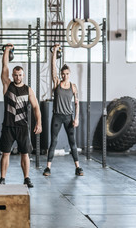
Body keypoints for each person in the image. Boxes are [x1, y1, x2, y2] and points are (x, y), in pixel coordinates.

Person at [0, 44, 42, 188]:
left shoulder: (28, 90)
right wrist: (7, 51)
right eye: (15, 75)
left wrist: (39, 123)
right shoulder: (7, 85)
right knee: (5, 154)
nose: (17, 77)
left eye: (20, 75)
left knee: (25, 154)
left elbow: (36, 107)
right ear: (13, 75)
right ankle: (2, 178)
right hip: (8, 126)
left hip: (22, 126)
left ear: (23, 75)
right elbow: (4, 67)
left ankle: (26, 178)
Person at [43, 44, 83, 176]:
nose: (65, 76)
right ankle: (48, 168)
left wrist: (76, 118)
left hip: (68, 117)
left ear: (69, 74)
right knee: (53, 142)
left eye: (67, 74)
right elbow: (52, 67)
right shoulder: (57, 83)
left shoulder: (73, 86)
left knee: (73, 143)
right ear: (61, 74)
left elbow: (77, 103)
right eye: (63, 74)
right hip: (57, 117)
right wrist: (54, 52)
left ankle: (78, 168)